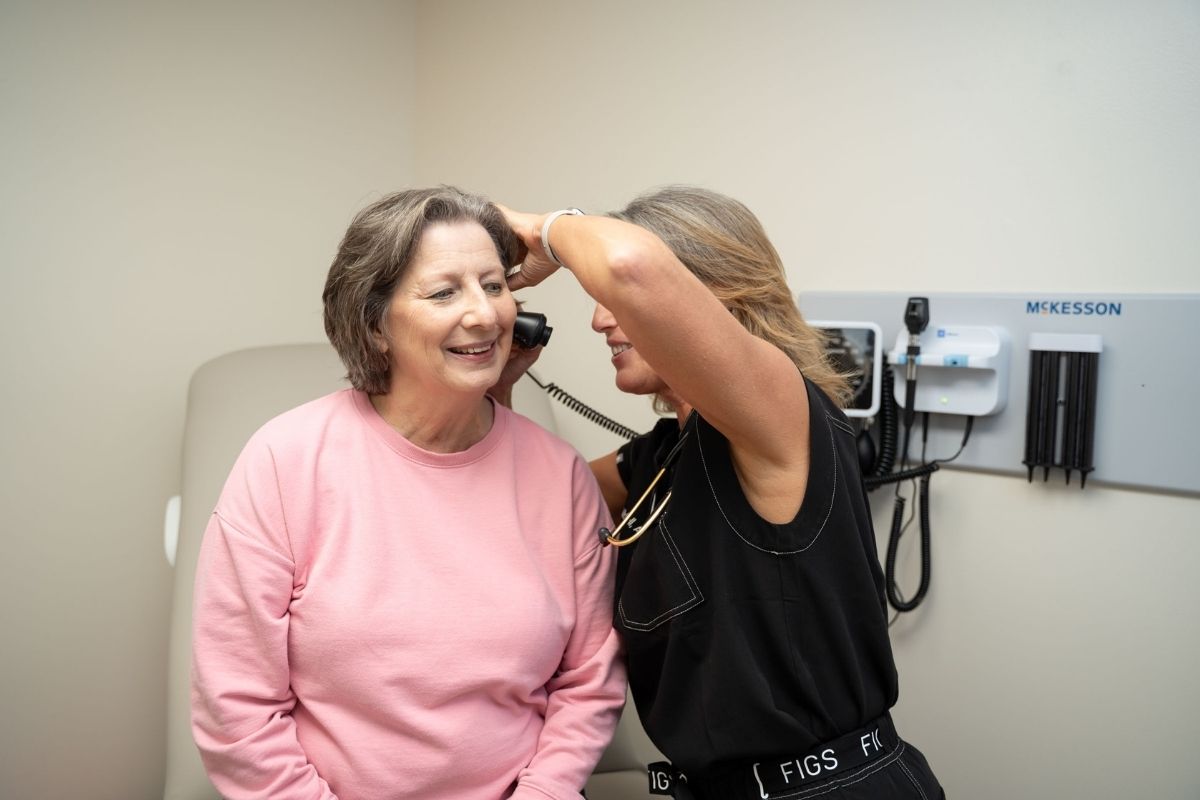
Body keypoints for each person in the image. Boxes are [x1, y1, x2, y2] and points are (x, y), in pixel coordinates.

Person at [498, 186, 945, 800]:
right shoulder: (663, 454)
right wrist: (494, 391)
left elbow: (630, 265)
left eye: (612, 303)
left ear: (711, 298)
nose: (600, 319)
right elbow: (527, 506)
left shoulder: (782, 414)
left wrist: (546, 232)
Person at [190, 186, 626, 800]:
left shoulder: (561, 477)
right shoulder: (285, 460)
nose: (484, 314)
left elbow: (588, 682)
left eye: (495, 285)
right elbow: (236, 703)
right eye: (444, 292)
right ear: (375, 325)